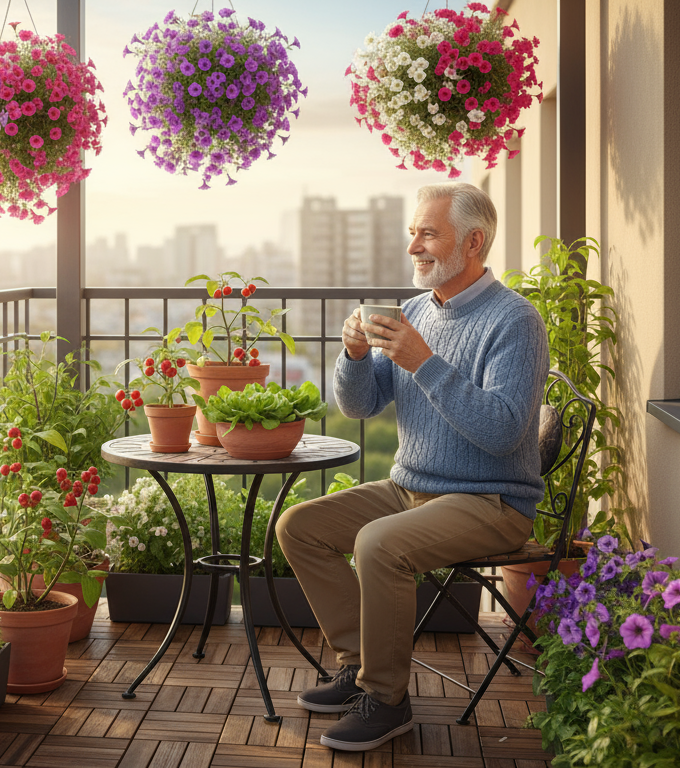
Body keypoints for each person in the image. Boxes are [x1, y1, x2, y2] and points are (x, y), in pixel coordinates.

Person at [276, 182, 549, 751]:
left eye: (428, 233)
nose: (414, 248)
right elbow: (359, 405)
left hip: (491, 501)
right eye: (412, 233)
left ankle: (388, 699)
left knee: (378, 544)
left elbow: (502, 432)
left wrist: (423, 363)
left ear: (472, 242)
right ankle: (358, 666)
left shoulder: (515, 322)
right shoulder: (416, 310)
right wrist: (353, 354)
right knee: (299, 527)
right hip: (412, 487)